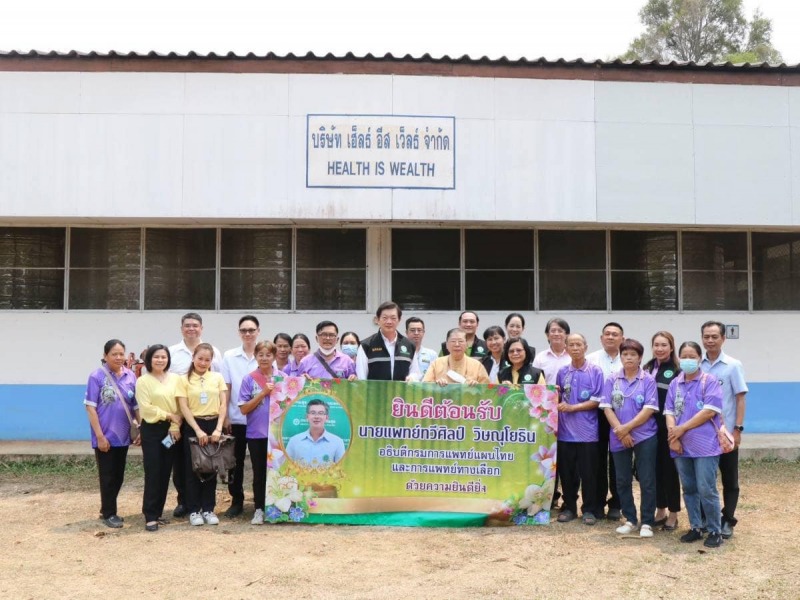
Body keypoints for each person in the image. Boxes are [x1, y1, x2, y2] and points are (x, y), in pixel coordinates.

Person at [665, 341, 725, 548]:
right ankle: (695, 527)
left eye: (692, 356)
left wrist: (681, 429)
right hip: (681, 447)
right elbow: (669, 412)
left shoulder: (710, 381)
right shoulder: (675, 383)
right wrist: (674, 438)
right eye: (684, 356)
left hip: (705, 446)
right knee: (689, 487)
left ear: (700, 359)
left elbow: (709, 411)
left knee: (706, 488)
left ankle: (714, 530)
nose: (688, 360)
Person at [599, 339, 659, 538]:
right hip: (618, 437)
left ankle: (647, 522)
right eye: (625, 354)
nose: (629, 358)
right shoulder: (612, 380)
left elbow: (649, 408)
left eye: (633, 355)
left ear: (640, 357)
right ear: (621, 356)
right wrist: (620, 431)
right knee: (622, 479)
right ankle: (631, 519)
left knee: (647, 479)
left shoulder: (648, 380)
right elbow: (607, 407)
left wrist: (627, 429)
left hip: (645, 436)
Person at [168, 312, 222, 519]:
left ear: (201, 328)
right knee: (183, 464)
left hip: (210, 419)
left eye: (195, 325)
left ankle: (207, 507)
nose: (191, 328)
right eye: (187, 325)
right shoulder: (172, 352)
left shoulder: (214, 352)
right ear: (182, 328)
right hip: (182, 418)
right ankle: (186, 503)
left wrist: (220, 422)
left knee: (208, 464)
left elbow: (220, 388)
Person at [84, 339, 139, 529]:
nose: (118, 357)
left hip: (123, 436)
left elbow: (135, 406)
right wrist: (99, 436)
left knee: (118, 476)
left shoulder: (131, 376)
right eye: (114, 354)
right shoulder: (96, 376)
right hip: (105, 436)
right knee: (107, 476)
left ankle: (106, 508)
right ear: (105, 355)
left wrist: (138, 428)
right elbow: (90, 408)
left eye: (121, 353)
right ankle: (109, 513)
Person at [700, 320, 748, 539]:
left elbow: (740, 399)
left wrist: (737, 429)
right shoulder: (696, 364)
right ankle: (706, 519)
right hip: (701, 435)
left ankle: (728, 519)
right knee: (705, 479)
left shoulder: (732, 365)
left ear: (723, 339)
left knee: (729, 479)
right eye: (706, 337)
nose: (710, 340)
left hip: (725, 435)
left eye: (714, 337)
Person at [176, 343, 228, 527]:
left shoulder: (217, 377)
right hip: (193, 425)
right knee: (193, 469)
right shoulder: (183, 380)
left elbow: (223, 404)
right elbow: (183, 406)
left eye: (207, 359)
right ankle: (194, 510)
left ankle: (208, 508)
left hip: (214, 424)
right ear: (193, 358)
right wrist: (197, 430)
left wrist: (218, 428)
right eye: (200, 358)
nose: (203, 362)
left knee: (211, 468)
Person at [555, 333, 604, 526]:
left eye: (579, 344)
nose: (575, 348)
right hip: (565, 432)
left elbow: (597, 400)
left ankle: (589, 509)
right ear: (565, 348)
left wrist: (573, 407)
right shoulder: (562, 372)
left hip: (587, 433)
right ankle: (569, 507)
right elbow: (557, 398)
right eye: (571, 345)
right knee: (567, 473)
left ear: (586, 347)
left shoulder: (595, 371)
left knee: (589, 474)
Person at [136, 344, 181, 532]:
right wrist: (169, 416)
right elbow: (146, 408)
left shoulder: (176, 379)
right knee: (153, 471)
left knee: (165, 470)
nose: (160, 360)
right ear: (149, 360)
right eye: (156, 357)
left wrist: (175, 426)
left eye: (163, 357)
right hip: (152, 431)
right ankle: (150, 515)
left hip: (171, 432)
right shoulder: (143, 381)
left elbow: (180, 405)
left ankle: (159, 511)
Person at [239, 341, 285, 525]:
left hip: (277, 434)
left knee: (277, 472)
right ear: (256, 356)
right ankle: (259, 509)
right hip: (256, 434)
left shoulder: (283, 378)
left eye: (268, 354)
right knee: (259, 473)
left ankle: (277, 508)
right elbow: (243, 409)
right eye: (261, 354)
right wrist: (263, 393)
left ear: (274, 356)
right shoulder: (249, 379)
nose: (264, 358)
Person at [220, 315, 260, 519]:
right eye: (244, 330)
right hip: (236, 420)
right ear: (239, 333)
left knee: (259, 462)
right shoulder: (229, 356)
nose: (248, 334)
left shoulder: (264, 355)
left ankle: (259, 502)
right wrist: (225, 416)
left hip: (260, 423)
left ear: (258, 332)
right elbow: (225, 388)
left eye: (251, 330)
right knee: (234, 463)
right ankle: (237, 501)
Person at [643, 331, 682, 531]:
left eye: (664, 345)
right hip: (647, 428)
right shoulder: (647, 367)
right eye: (656, 345)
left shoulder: (677, 369)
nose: (659, 348)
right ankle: (660, 510)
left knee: (669, 471)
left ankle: (674, 513)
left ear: (671, 347)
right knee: (654, 470)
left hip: (668, 427)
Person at [586, 321, 624, 521]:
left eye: (615, 334)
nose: (610, 337)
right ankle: (597, 503)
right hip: (596, 415)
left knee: (617, 460)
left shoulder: (628, 359)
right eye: (607, 334)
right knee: (597, 460)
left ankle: (617, 504)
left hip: (621, 415)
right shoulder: (590, 360)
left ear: (622, 339)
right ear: (601, 338)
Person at [356, 301, 415, 381]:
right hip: (375, 393)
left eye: (393, 318)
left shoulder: (409, 345)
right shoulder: (366, 345)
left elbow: (415, 372)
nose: (389, 322)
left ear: (399, 320)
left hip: (401, 393)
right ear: (377, 320)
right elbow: (361, 378)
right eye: (385, 318)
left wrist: (412, 377)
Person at [285, 399, 346, 467]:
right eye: (313, 413)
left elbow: (341, 470)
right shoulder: (294, 441)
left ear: (327, 417)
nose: (316, 417)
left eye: (321, 413)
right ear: (307, 417)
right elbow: (287, 468)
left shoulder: (338, 442)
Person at [424, 328, 490, 386]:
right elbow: (425, 386)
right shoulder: (436, 363)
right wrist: (435, 384)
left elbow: (487, 389)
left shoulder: (477, 365)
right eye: (453, 341)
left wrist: (477, 386)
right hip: (443, 399)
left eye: (461, 341)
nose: (457, 344)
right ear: (446, 345)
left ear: (466, 344)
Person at [533, 318, 571, 385]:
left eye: (560, 331)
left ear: (567, 335)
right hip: (546, 395)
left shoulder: (573, 356)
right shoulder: (540, 358)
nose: (556, 334)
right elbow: (534, 382)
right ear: (547, 335)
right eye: (553, 331)